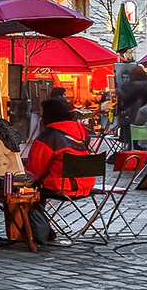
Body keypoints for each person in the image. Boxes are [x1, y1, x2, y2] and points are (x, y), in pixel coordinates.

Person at [24, 98, 95, 246]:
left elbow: (35, 171)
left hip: (64, 185)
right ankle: (43, 227)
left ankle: (38, 228)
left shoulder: (48, 137)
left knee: (30, 189)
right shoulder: (81, 132)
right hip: (86, 183)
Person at [117, 66, 147, 143]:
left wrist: (118, 92)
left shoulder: (133, 85)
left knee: (132, 134)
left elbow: (126, 99)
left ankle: (132, 149)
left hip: (134, 113)